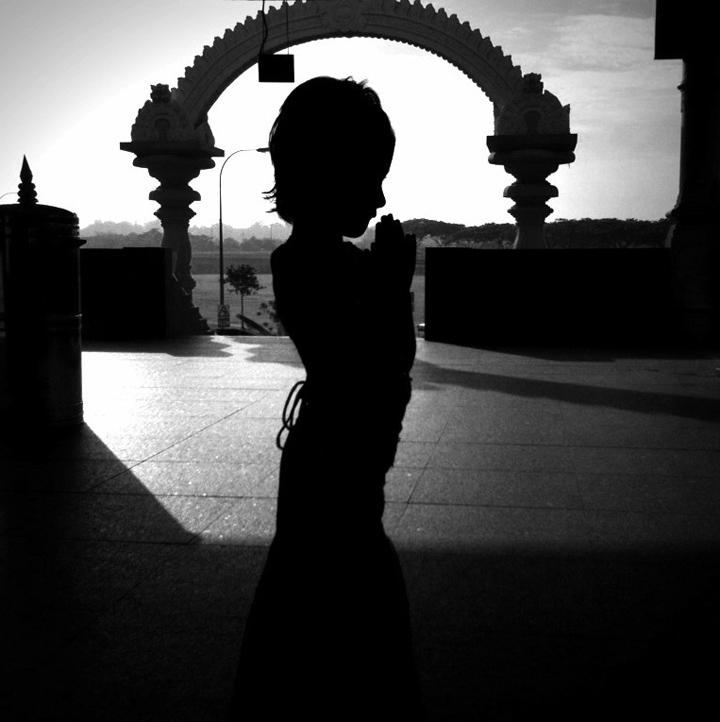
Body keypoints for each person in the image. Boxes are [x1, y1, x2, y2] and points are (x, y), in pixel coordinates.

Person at [228, 76, 421, 720]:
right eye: (371, 176)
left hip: (337, 463)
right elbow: (364, 371)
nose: (381, 195)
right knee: (333, 617)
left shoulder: (329, 262)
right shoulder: (312, 265)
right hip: (333, 467)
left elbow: (381, 369)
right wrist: (392, 292)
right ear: (329, 174)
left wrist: (388, 287)